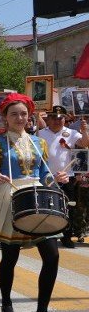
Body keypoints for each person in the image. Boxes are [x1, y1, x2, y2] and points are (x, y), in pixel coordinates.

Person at [0, 93, 67, 312]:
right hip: (11, 198)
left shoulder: (38, 142)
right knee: (10, 256)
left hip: (38, 198)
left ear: (29, 116)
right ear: (5, 117)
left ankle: (42, 311)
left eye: (23, 113)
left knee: (52, 255)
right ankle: (6, 304)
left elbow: (44, 176)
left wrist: (57, 179)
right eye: (14, 114)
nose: (20, 118)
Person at [36, 105, 89, 248]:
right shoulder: (40, 133)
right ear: (48, 119)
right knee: (47, 207)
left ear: (65, 119)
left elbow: (85, 143)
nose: (57, 121)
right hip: (47, 177)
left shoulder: (71, 133)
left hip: (67, 176)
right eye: (53, 117)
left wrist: (84, 131)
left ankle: (66, 236)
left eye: (60, 118)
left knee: (68, 207)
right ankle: (48, 236)